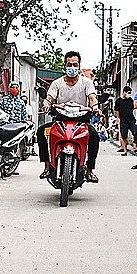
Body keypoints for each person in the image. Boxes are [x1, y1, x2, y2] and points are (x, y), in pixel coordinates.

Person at [38, 51, 100, 182]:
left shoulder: (86, 83)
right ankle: (47, 166)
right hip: (60, 120)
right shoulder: (57, 83)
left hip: (82, 121)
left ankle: (89, 170)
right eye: (69, 64)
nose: (72, 67)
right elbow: (49, 98)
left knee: (94, 136)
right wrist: (46, 104)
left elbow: (92, 98)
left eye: (75, 64)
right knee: (41, 131)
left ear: (79, 66)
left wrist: (95, 108)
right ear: (65, 66)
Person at [0, 81, 27, 176]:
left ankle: (12, 167)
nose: (15, 89)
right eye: (13, 87)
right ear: (9, 88)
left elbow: (24, 116)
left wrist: (25, 124)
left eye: (16, 87)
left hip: (16, 127)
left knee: (14, 147)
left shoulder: (21, 103)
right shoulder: (4, 100)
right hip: (4, 126)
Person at [114, 85, 135, 155]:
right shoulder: (118, 101)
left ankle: (135, 146)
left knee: (135, 133)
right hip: (123, 120)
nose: (129, 94)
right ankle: (125, 150)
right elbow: (117, 111)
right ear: (124, 92)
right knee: (124, 136)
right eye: (128, 93)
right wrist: (119, 118)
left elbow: (132, 108)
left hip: (131, 119)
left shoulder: (130, 100)